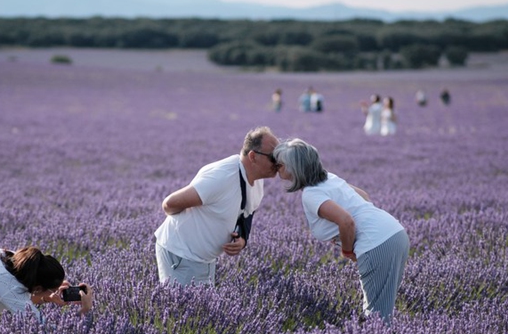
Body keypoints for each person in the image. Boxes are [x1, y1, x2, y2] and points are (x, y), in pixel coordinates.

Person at [273, 139, 409, 323]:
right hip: (395, 233)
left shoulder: (311, 194)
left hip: (376, 244)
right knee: (384, 310)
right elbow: (364, 197)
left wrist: (347, 250)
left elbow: (346, 221)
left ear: (294, 168)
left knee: (376, 317)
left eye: (280, 164)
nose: (276, 167)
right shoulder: (329, 178)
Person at [155, 126, 280, 286]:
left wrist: (242, 240)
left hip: (206, 260)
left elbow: (245, 216)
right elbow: (170, 204)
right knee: (183, 309)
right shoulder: (221, 177)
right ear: (253, 156)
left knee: (201, 310)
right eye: (274, 158)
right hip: (181, 255)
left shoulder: (257, 182)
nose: (278, 163)